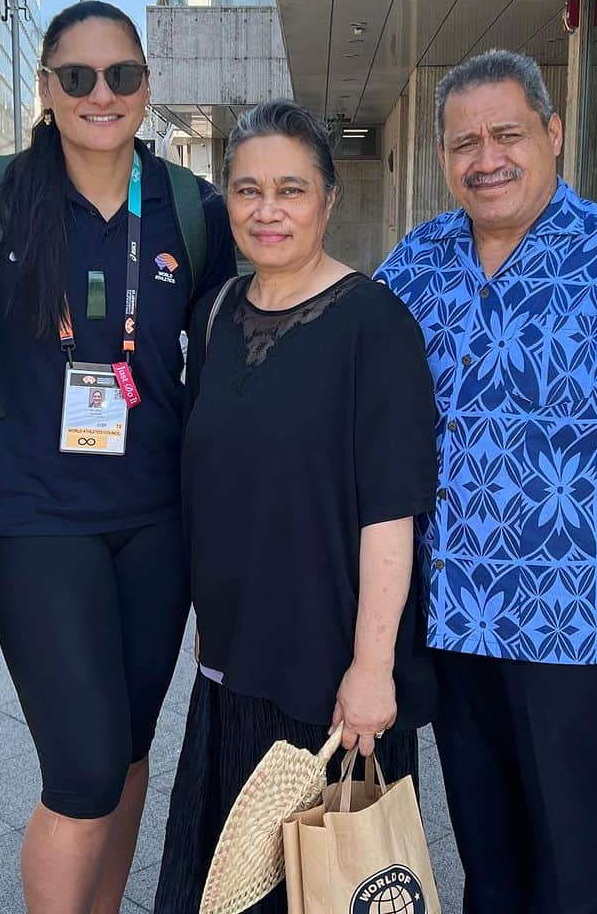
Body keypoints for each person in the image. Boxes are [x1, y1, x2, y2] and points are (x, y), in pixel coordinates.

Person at [375, 49, 597, 913]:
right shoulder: (419, 263)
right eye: (465, 141)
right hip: (455, 621)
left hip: (577, 636)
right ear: (442, 158)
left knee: (576, 869)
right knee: (489, 866)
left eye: (507, 133)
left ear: (552, 134)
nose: (486, 158)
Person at [0, 0, 236, 913]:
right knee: (79, 773)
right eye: (78, 76)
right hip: (38, 522)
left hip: (158, 520)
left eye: (122, 76)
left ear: (148, 88)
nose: (101, 93)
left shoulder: (192, 209)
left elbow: (234, 363)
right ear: (45, 88)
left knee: (127, 752)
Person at [155, 101, 438, 913]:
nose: (268, 211)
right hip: (232, 662)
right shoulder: (216, 314)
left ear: (328, 199)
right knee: (229, 877)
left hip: (330, 668)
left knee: (322, 884)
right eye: (247, 191)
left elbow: (392, 511)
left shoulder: (374, 325)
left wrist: (372, 669)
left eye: (291, 189)